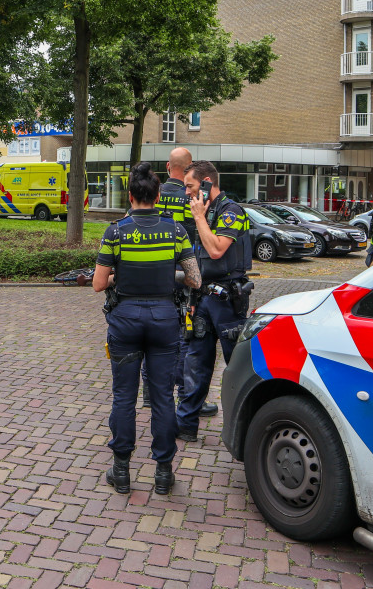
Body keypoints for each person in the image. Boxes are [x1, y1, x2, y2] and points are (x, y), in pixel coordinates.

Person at [93, 162, 201, 496]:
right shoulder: (175, 231)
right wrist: (168, 276)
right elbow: (195, 279)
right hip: (164, 321)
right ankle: (164, 473)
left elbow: (99, 284)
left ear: (130, 195)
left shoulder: (115, 231)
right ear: (157, 195)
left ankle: (122, 470)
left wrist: (121, 276)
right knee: (162, 397)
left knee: (124, 396)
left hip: (124, 320)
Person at [177, 160, 253, 443]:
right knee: (195, 362)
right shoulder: (204, 212)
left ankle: (245, 430)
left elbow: (218, 250)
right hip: (203, 298)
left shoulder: (230, 211)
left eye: (190, 186)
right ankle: (185, 424)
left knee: (237, 365)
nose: (187, 193)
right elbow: (199, 258)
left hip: (228, 301)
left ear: (207, 182)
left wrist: (198, 218)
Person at [139, 147, 196, 408]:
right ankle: (184, 395)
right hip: (182, 276)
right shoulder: (191, 198)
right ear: (189, 167)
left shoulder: (153, 194)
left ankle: (150, 394)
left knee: (147, 338)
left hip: (152, 274)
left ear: (167, 166)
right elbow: (195, 240)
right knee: (183, 339)